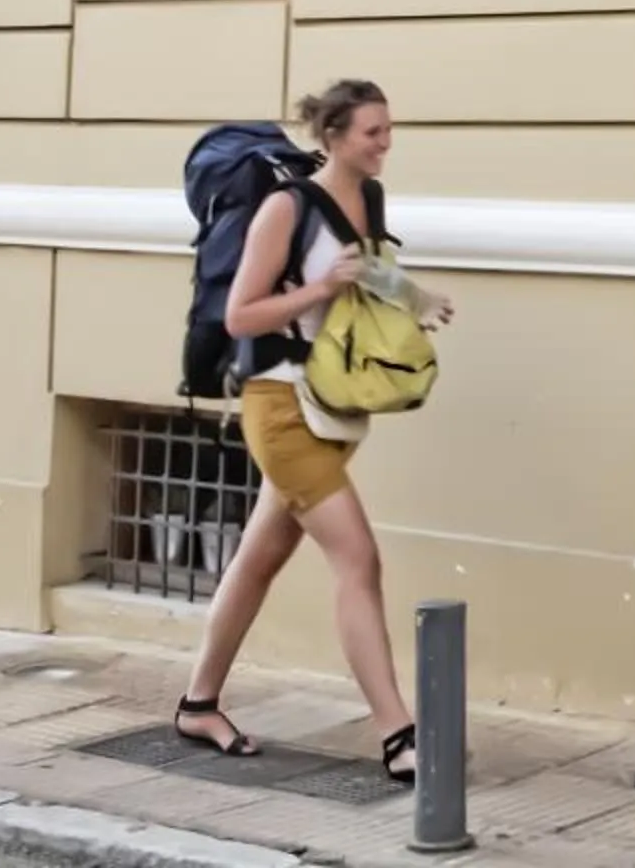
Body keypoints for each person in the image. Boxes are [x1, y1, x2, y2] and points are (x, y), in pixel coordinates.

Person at [172, 79, 452, 782]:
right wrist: (320, 290)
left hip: (337, 404)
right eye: (372, 133)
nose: (386, 144)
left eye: (389, 130)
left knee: (259, 559)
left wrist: (420, 300)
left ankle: (197, 703)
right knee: (359, 560)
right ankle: (398, 735)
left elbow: (371, 275)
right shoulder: (285, 209)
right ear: (333, 137)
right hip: (281, 404)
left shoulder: (372, 200)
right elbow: (241, 316)